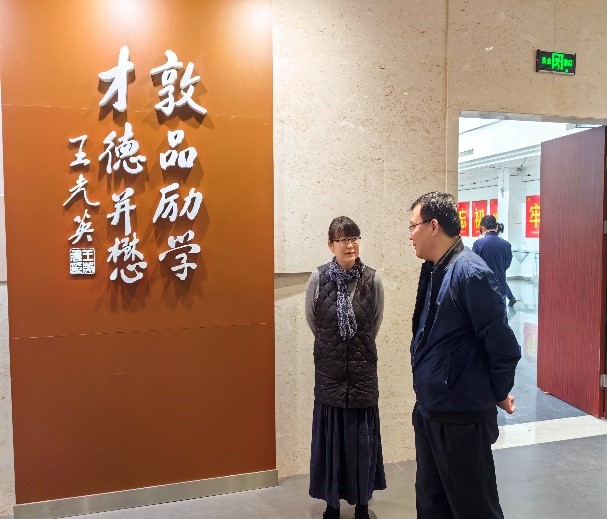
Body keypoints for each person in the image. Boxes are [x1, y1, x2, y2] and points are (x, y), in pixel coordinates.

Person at [408, 192, 521, 519]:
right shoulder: (435, 269)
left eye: (413, 226)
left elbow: (503, 346)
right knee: (432, 504)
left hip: (460, 417)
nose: (410, 234)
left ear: (433, 226)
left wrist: (496, 392)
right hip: (432, 409)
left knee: (474, 509)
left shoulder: (470, 273)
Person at [305, 216, 386, 519]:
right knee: (332, 442)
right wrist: (335, 344)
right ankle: (332, 504)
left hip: (362, 374)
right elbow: (314, 322)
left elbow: (374, 324)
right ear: (331, 245)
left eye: (354, 238)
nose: (350, 245)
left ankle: (362, 504)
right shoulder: (318, 278)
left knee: (361, 442)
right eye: (343, 239)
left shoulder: (373, 280)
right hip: (330, 372)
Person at [472, 215, 517, 308]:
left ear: (482, 228)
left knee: (484, 314)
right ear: (496, 227)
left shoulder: (478, 244)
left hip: (483, 287)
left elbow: (473, 266)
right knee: (501, 314)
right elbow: (507, 264)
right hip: (501, 287)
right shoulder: (506, 245)